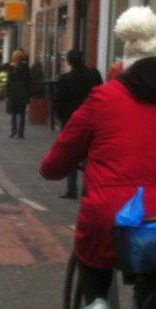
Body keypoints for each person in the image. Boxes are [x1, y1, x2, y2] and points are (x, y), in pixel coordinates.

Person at [40, 6, 156, 309]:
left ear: (126, 62)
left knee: (91, 248)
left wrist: (52, 169)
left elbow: (67, 147)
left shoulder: (105, 97)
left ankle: (97, 303)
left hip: (116, 215)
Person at [53, 49, 103, 199]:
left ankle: (72, 189)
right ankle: (88, 187)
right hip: (92, 120)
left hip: (71, 121)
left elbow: (58, 102)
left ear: (69, 62)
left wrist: (62, 118)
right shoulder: (94, 75)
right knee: (90, 155)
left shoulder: (66, 79)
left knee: (71, 155)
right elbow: (101, 94)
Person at [5, 49, 32, 138]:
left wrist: (7, 94)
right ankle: (21, 132)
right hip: (23, 91)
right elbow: (29, 80)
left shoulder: (11, 67)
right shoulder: (25, 66)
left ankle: (13, 131)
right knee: (22, 113)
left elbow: (8, 81)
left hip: (13, 92)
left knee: (13, 113)